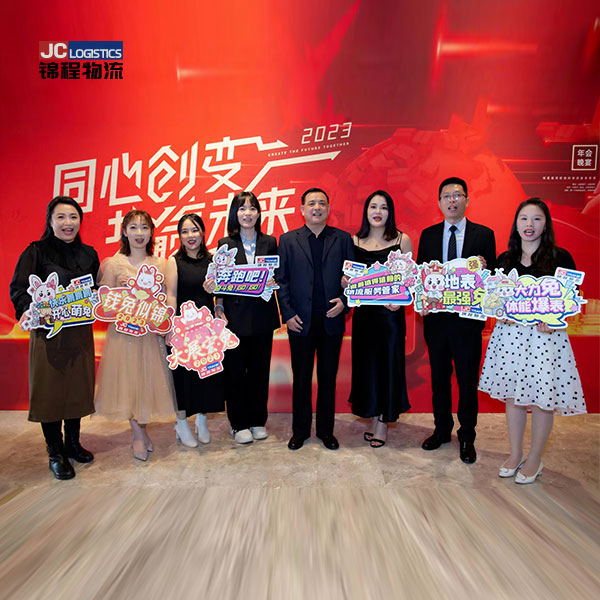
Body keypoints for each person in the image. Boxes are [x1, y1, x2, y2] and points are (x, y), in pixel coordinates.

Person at [479, 198, 586, 483]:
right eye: (524, 218)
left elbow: (572, 297)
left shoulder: (560, 258)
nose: (530, 224)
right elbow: (494, 299)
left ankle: (535, 459)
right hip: (510, 337)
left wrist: (555, 317)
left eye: (537, 218)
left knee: (542, 399)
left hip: (545, 339)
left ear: (546, 224)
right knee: (512, 397)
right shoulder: (505, 260)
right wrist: (500, 313)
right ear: (516, 224)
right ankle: (515, 454)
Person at [10, 196, 99, 480]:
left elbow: (95, 289)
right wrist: (27, 309)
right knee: (50, 392)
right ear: (50, 221)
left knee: (77, 388)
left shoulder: (89, 253)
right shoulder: (36, 251)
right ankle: (55, 452)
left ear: (80, 221)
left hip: (79, 332)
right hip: (48, 334)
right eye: (61, 217)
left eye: (73, 217)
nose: (67, 223)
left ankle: (73, 443)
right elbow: (19, 287)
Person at [417, 177, 496, 463]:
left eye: (457, 195)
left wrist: (484, 269)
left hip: (467, 324)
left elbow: (492, 280)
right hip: (436, 322)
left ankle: (467, 436)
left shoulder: (483, 235)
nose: (452, 200)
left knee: (466, 381)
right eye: (446, 196)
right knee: (439, 379)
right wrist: (422, 301)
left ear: (467, 200)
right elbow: (421, 276)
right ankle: (441, 430)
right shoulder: (428, 235)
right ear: (439, 202)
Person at [94, 209, 176, 461]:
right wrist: (121, 300)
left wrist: (167, 324)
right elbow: (105, 302)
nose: (139, 233)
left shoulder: (161, 264)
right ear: (124, 232)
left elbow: (168, 298)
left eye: (144, 227)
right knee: (128, 384)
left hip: (151, 336)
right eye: (133, 227)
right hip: (123, 337)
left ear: (151, 232)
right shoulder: (113, 264)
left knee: (147, 383)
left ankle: (142, 430)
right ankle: (138, 435)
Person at [276, 188, 354, 450]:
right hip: (300, 321)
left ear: (329, 209)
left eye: (322, 203)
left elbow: (354, 278)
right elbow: (281, 280)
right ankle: (300, 431)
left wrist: (345, 302)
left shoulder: (343, 239)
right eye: (311, 203)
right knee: (301, 379)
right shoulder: (288, 240)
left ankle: (325, 431)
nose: (317, 207)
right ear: (302, 209)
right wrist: (288, 314)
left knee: (328, 380)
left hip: (331, 319)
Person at [214, 192, 280, 444]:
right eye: (242, 209)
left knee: (259, 372)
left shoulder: (270, 242)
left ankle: (257, 420)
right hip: (234, 318)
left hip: (262, 316)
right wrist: (219, 306)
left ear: (259, 213)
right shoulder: (225, 243)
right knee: (235, 373)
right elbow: (220, 280)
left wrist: (273, 281)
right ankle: (238, 423)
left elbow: (278, 274)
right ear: (235, 213)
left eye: (252, 208)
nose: (248, 213)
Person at [347, 191, 412, 447]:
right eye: (373, 206)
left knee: (389, 366)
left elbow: (411, 278)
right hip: (364, 317)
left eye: (383, 207)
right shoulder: (354, 240)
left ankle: (384, 422)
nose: (378, 212)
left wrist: (401, 299)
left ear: (390, 212)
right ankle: (374, 415)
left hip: (390, 317)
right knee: (368, 367)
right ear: (366, 211)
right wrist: (346, 282)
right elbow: (349, 276)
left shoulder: (402, 240)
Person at [165, 213, 225, 447]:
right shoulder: (174, 261)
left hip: (206, 329)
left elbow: (220, 293)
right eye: (185, 231)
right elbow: (171, 295)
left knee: (206, 374)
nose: (190, 235)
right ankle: (181, 423)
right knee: (182, 379)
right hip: (182, 329)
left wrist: (218, 305)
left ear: (203, 233)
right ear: (179, 236)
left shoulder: (213, 260)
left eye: (195, 230)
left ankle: (202, 420)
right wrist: (170, 326)